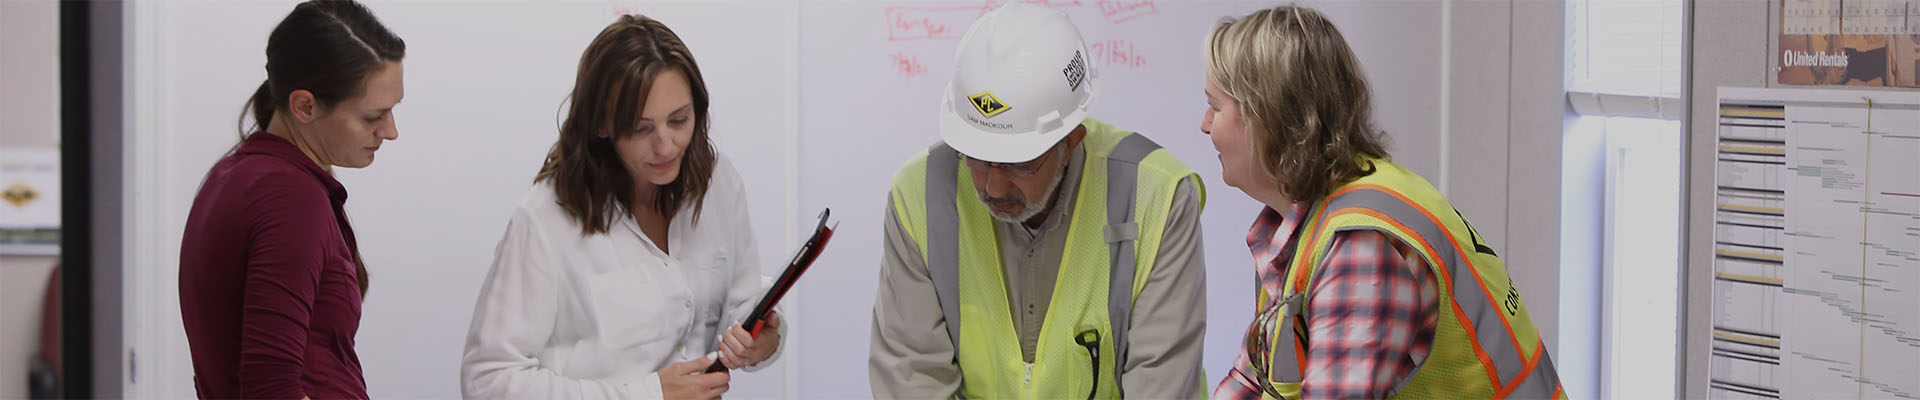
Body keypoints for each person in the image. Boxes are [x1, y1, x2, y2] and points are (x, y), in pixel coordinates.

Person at [1198, 6, 1564, 399]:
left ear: (1268, 119)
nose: (1204, 124)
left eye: (1216, 107)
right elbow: (1257, 383)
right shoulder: (1304, 224)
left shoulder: (1360, 247)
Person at [868, 3, 1209, 399]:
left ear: (1071, 140)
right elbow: (912, 377)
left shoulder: (1156, 196)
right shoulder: (919, 197)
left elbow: (1161, 385)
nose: (992, 186)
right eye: (975, 157)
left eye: (1019, 163)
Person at [460, 14, 782, 400]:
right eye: (641, 128)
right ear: (601, 125)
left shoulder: (716, 181)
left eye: (679, 120)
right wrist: (649, 394)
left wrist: (764, 340)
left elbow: (743, 303)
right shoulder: (546, 221)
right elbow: (487, 382)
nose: (666, 146)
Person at [177, 1, 404, 398]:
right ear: (304, 105)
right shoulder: (290, 199)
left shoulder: (232, 176)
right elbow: (271, 387)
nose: (390, 131)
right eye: (373, 116)